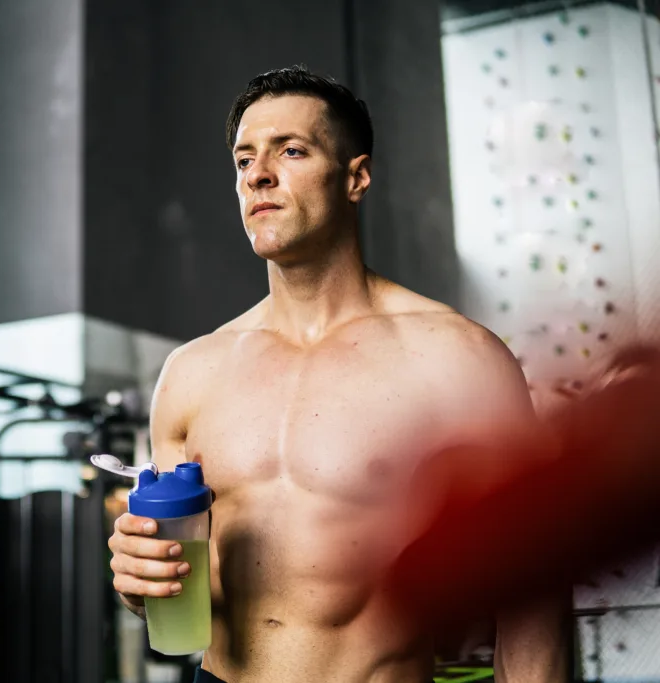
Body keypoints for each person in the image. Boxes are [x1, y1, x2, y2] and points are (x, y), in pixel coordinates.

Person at [106, 66, 568, 683]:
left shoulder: (456, 357)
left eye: (291, 151)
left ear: (356, 177)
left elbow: (531, 590)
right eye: (244, 160)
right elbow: (191, 581)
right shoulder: (191, 372)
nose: (258, 175)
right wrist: (143, 580)